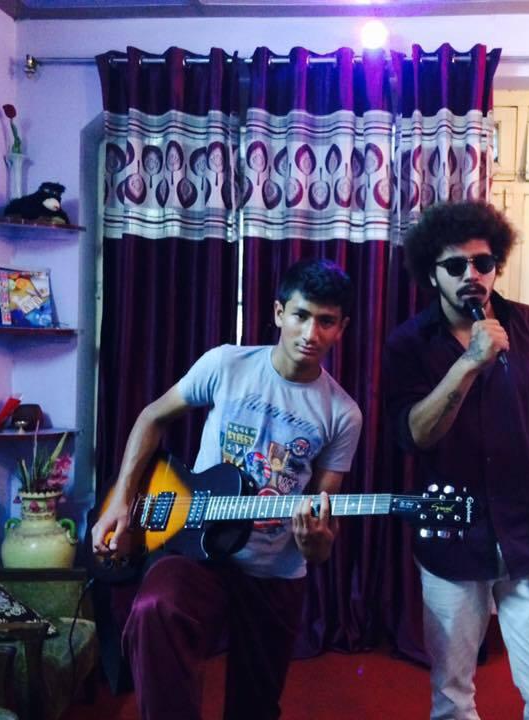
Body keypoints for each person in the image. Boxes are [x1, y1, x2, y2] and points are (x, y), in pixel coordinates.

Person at [91, 258, 363, 720]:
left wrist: (316, 543)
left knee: (255, 707)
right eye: (300, 315)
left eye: (326, 321)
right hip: (197, 550)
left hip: (275, 572)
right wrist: (121, 498)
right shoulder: (227, 364)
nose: (310, 333)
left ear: (342, 328)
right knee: (155, 608)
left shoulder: (343, 414)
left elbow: (321, 527)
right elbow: (152, 416)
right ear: (278, 312)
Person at [383, 201, 529, 720]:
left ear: (497, 266)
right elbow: (414, 435)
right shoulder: (408, 344)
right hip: (450, 538)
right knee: (452, 695)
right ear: (432, 274)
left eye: (483, 262)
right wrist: (469, 363)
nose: (471, 275)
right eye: (455, 265)